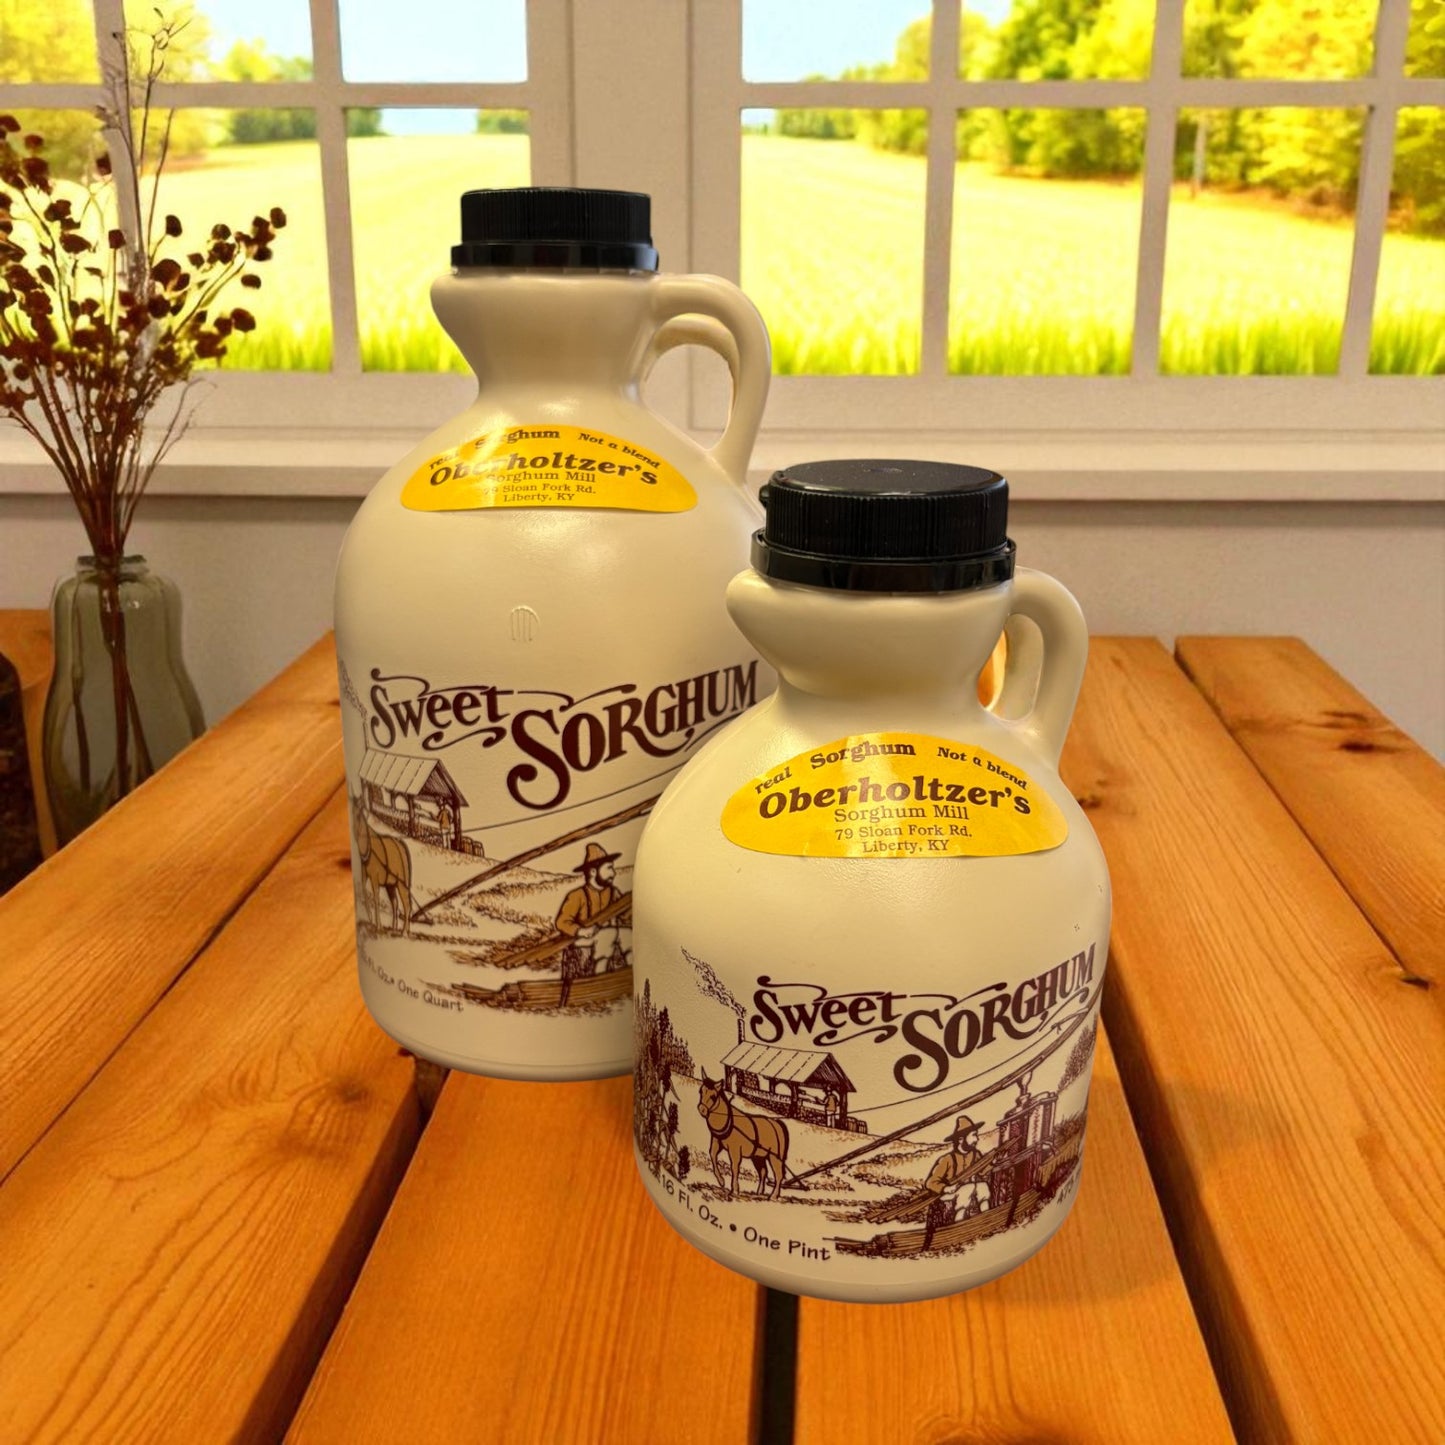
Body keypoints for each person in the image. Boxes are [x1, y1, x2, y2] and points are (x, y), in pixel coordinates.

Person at [555, 841, 633, 975]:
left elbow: (624, 915)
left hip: (607, 937)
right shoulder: (577, 895)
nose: (613, 873)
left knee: (628, 936)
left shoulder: (612, 892)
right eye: (609, 868)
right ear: (593, 871)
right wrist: (581, 931)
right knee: (608, 936)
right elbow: (561, 922)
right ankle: (598, 977)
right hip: (582, 940)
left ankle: (630, 974)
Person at [920, 1115, 985, 1250]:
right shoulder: (947, 1160)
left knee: (982, 1187)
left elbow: (985, 1169)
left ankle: (987, 1218)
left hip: (970, 1190)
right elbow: (931, 1182)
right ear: (961, 1139)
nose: (976, 1139)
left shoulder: (976, 1154)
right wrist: (945, 1188)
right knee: (966, 1190)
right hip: (948, 1195)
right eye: (973, 1135)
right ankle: (958, 1228)